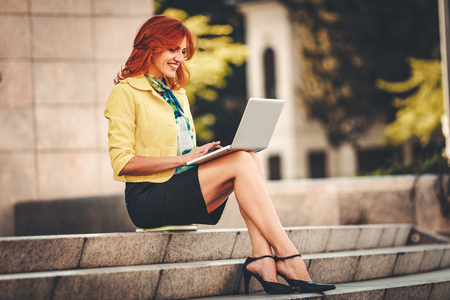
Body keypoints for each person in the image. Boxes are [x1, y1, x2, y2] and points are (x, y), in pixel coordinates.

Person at [104, 14, 335, 295]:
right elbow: (123, 162)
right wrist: (184, 160)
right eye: (173, 49)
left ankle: (262, 257)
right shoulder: (125, 92)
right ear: (151, 46)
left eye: (182, 51)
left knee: (249, 155)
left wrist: (204, 156)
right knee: (240, 161)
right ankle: (289, 257)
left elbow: (183, 153)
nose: (179, 57)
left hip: (178, 187)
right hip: (148, 199)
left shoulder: (177, 94)